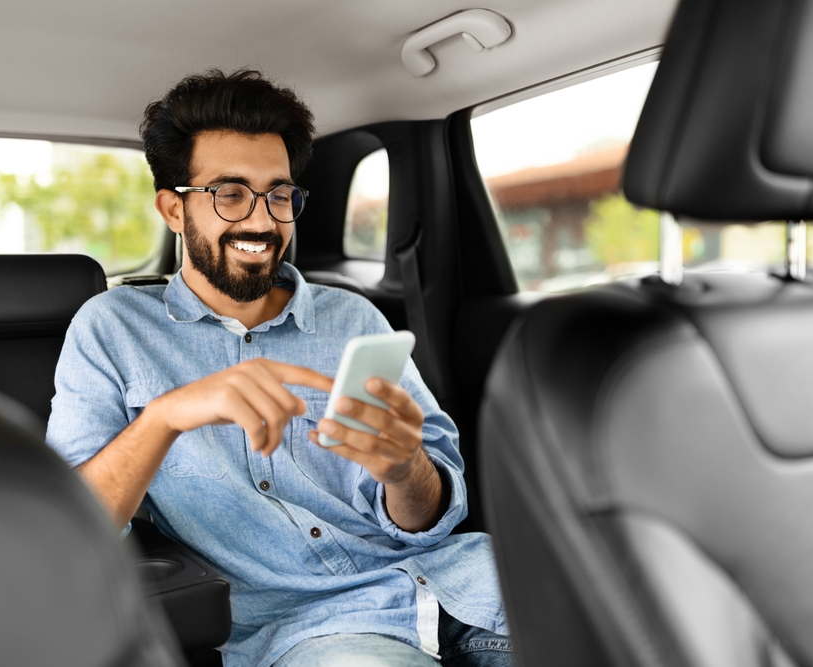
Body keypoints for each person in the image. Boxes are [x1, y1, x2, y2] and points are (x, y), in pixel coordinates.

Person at [46, 68, 511, 667]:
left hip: (472, 587)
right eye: (230, 193)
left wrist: (405, 472)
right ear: (173, 210)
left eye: (279, 194)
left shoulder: (354, 320)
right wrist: (163, 418)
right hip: (317, 630)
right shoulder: (111, 329)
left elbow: (433, 515)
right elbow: (66, 529)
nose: (263, 221)